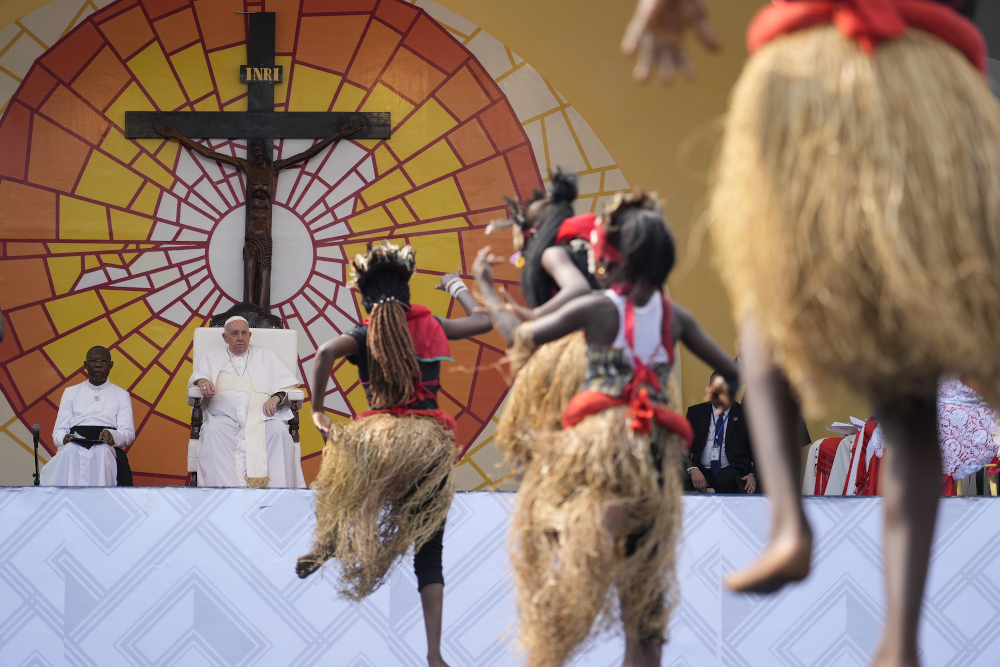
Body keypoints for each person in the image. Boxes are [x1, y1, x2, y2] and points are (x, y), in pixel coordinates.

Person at [699, 3, 998, 667]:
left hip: (906, 77)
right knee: (772, 312)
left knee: (896, 384)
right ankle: (800, 537)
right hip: (847, 72)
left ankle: (874, 611)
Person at [474, 192, 739, 667]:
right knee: (645, 615)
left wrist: (487, 289)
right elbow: (731, 373)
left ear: (605, 257)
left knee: (575, 562)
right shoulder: (675, 316)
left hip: (604, 450)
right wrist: (721, 385)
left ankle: (588, 549)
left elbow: (519, 338)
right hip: (656, 461)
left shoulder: (597, 310)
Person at [296, 242, 491, 667]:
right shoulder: (430, 324)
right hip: (425, 443)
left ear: (364, 297)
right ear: (406, 291)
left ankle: (329, 539)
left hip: (378, 440)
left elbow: (324, 351)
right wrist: (454, 286)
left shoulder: (366, 333)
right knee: (429, 549)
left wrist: (316, 410)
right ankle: (435, 653)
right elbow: (483, 321)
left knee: (343, 483)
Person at [189, 316, 304, 488]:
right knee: (211, 432)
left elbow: (286, 384)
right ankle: (223, 496)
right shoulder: (211, 357)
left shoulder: (266, 356)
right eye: (234, 334)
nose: (240, 338)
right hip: (224, 420)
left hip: (262, 419)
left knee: (280, 431)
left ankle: (278, 495)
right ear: (225, 337)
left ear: (250, 335)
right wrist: (203, 382)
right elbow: (199, 377)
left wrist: (275, 398)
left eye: (244, 333)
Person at [42, 346, 134, 486]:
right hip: (75, 443)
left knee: (102, 451)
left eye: (103, 361)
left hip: (105, 444)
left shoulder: (121, 394)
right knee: (70, 450)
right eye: (93, 361)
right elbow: (58, 432)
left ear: (111, 365)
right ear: (85, 365)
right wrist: (64, 438)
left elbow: (128, 434)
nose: (98, 364)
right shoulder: (71, 392)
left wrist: (112, 435)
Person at [685, 371, 757, 494]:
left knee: (724, 480)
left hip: (732, 470)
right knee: (677, 477)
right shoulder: (695, 413)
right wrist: (692, 468)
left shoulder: (746, 415)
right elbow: (681, 448)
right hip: (700, 469)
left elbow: (759, 452)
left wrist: (752, 474)